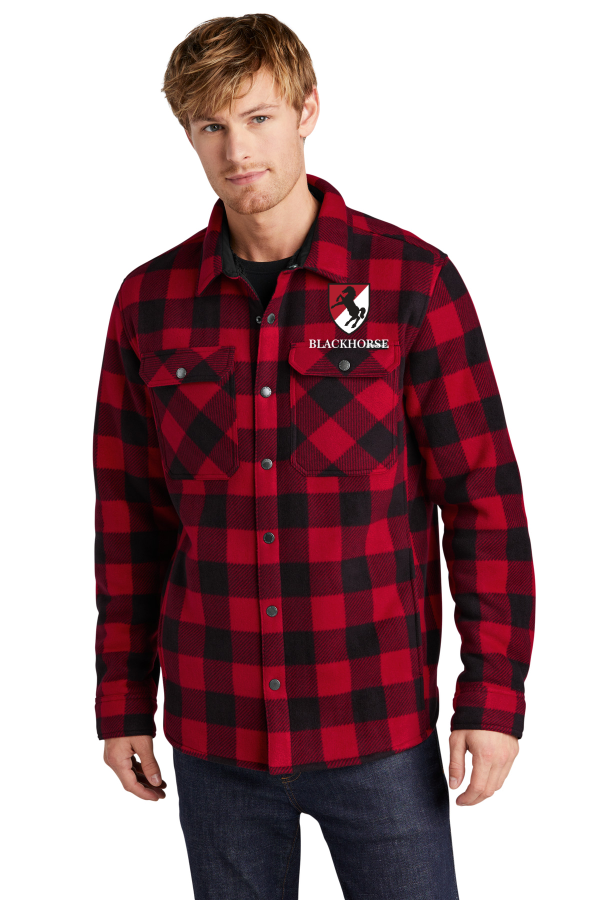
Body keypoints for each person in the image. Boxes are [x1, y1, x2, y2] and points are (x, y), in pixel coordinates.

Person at [93, 13, 535, 900]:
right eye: (210, 126)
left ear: (306, 111)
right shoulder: (149, 304)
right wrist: (122, 700)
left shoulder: (412, 283)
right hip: (216, 733)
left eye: (258, 118)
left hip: (377, 728)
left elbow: (483, 501)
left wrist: (493, 697)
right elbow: (131, 522)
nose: (236, 150)